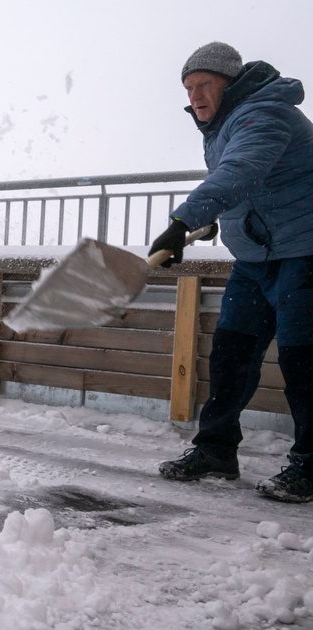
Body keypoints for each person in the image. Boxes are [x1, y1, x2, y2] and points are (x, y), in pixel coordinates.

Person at [152, 42, 313, 503]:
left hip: (304, 253)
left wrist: (180, 220)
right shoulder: (223, 126)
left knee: (304, 361)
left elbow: (242, 170)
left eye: (204, 84)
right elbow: (250, 189)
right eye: (188, 87)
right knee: (230, 354)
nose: (195, 96)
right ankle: (217, 450)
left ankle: (310, 463)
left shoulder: (264, 113)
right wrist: (205, 224)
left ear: (230, 83)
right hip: (256, 259)